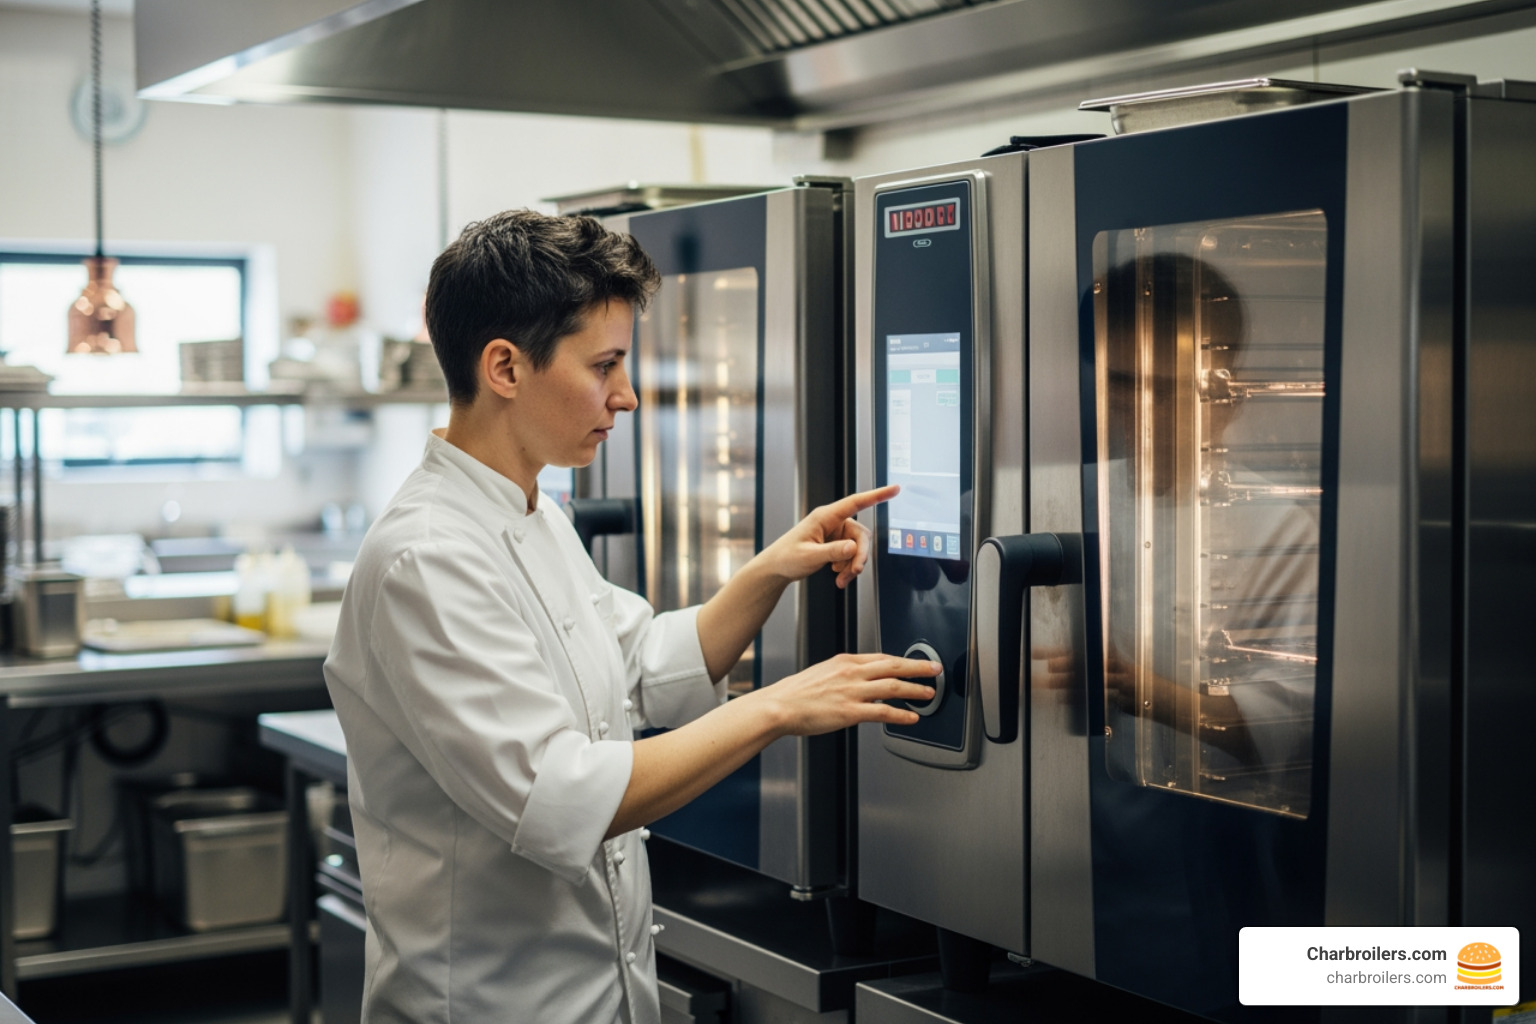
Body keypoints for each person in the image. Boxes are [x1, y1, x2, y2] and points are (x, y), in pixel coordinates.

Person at [323, 209, 938, 1024]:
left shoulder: (534, 511)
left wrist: (770, 571)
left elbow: (644, 663)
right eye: (604, 364)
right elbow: (563, 796)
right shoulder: (427, 558)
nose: (629, 395)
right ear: (505, 366)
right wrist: (780, 707)